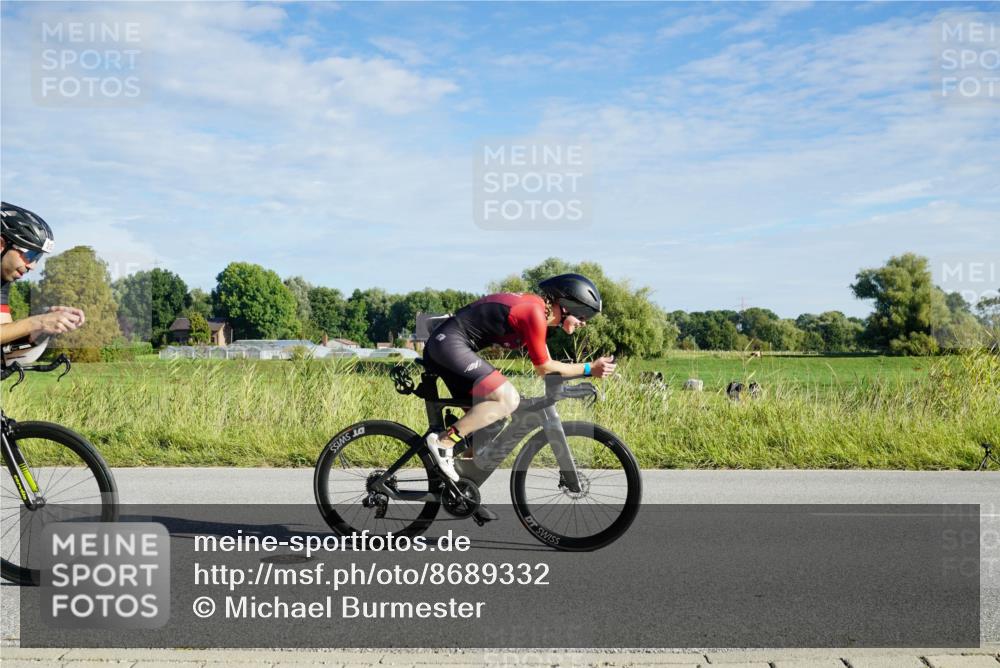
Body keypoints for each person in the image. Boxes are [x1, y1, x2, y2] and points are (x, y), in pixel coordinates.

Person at [422, 273, 615, 490]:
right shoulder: (534, 312)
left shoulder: (538, 314)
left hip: (451, 347)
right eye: (583, 315)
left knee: (490, 422)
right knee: (508, 399)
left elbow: (549, 368)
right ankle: (442, 443)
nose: (584, 323)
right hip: (448, 345)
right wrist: (590, 368)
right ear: (567, 305)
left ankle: (461, 486)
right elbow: (545, 368)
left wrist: (575, 384)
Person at [1, 202, 86, 349]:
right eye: (30, 254)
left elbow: (5, 344)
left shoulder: (3, 280)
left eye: (37, 257)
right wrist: (37, 321)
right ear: (1, 244)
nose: (32, 266)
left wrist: (44, 325)